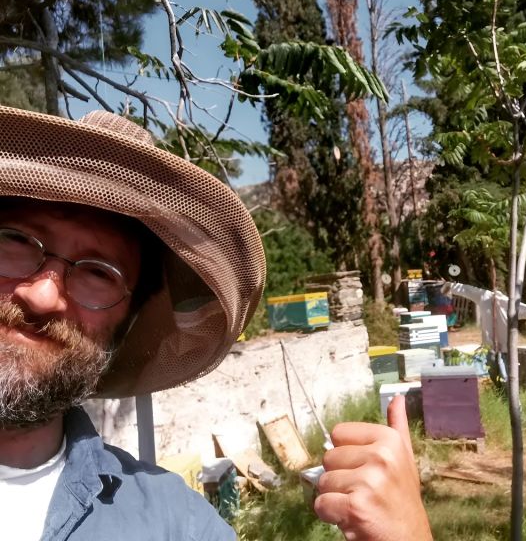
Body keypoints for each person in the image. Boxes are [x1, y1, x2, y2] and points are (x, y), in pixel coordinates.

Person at [0, 106, 432, 541]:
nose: (41, 295)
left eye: (98, 274)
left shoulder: (177, 523)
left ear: (125, 325)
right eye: (15, 241)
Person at [442, 280, 526, 383]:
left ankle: (512, 404)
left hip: (506, 349)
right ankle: (500, 394)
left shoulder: (508, 304)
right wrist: (448, 286)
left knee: (506, 377)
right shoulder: (483, 296)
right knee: (493, 373)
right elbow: (465, 289)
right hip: (489, 347)